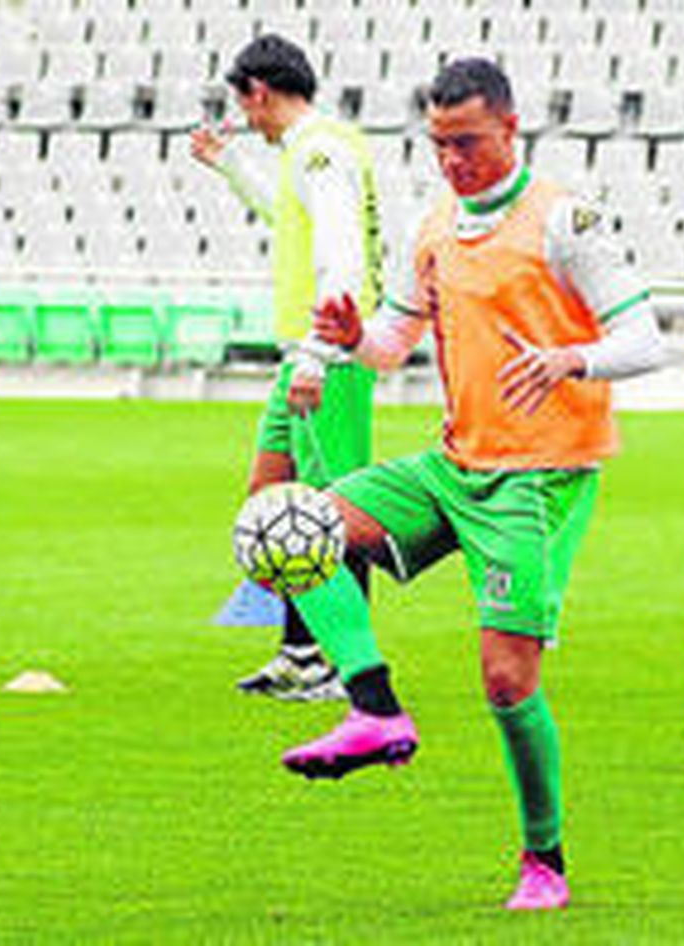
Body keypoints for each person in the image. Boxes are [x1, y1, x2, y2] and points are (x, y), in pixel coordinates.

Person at [282, 59, 664, 910]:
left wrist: (575, 357)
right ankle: (375, 708)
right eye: (439, 145)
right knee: (292, 526)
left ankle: (545, 862)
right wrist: (350, 338)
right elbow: (392, 340)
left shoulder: (565, 220)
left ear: (511, 129)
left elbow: (647, 337)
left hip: (537, 479)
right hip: (455, 466)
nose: (453, 161)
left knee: (506, 682)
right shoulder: (437, 225)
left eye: (468, 144)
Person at [189, 34, 383, 702]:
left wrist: (319, 355)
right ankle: (302, 652)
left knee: (335, 512)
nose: (244, 117)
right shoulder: (314, 149)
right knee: (271, 503)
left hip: (326, 357)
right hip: (302, 354)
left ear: (259, 92)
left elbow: (342, 257)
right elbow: (292, 220)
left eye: (243, 104)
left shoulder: (323, 150)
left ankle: (344, 665)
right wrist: (231, 168)